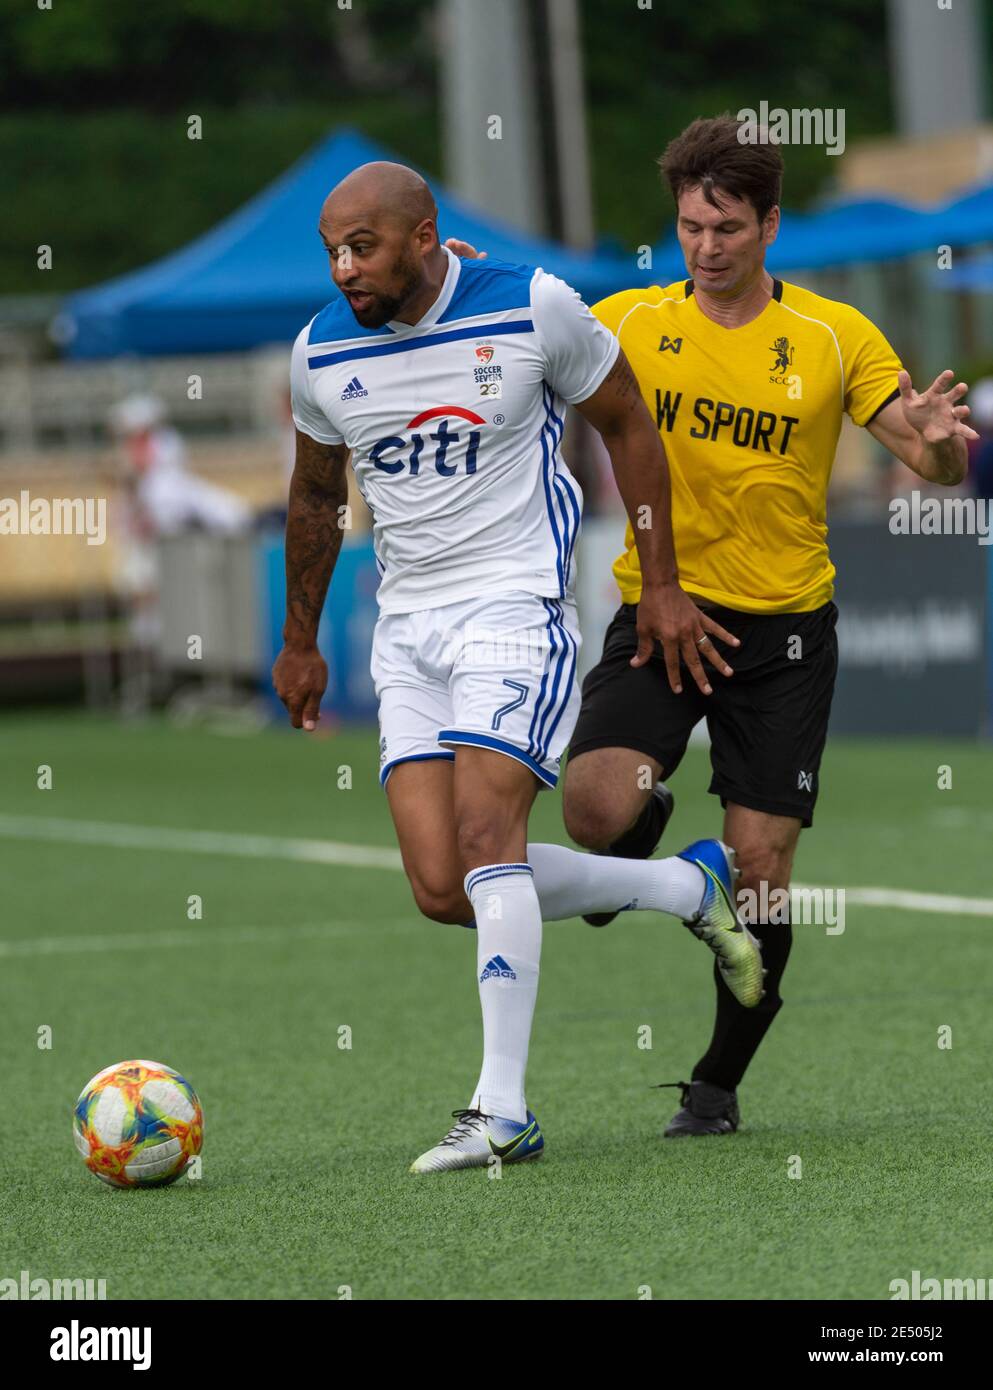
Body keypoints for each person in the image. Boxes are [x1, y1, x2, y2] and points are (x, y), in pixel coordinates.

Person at [452, 115, 977, 1140]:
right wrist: (464, 277)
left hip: (783, 637)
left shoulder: (835, 336)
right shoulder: (634, 321)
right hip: (660, 611)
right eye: (691, 224)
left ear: (770, 225)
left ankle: (716, 1084)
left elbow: (928, 460)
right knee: (595, 810)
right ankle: (653, 872)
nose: (706, 244)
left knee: (765, 877)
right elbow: (522, 322)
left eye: (727, 225)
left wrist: (944, 446)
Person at [272, 160, 764, 1175]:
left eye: (360, 247)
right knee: (443, 885)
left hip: (513, 609)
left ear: (422, 238)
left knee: (488, 831)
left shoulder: (535, 306)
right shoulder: (319, 350)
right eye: (330, 251)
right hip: (404, 633)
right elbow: (316, 497)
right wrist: (300, 638)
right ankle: (684, 886)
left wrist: (661, 583)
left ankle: (502, 1110)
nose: (342, 269)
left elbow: (629, 425)